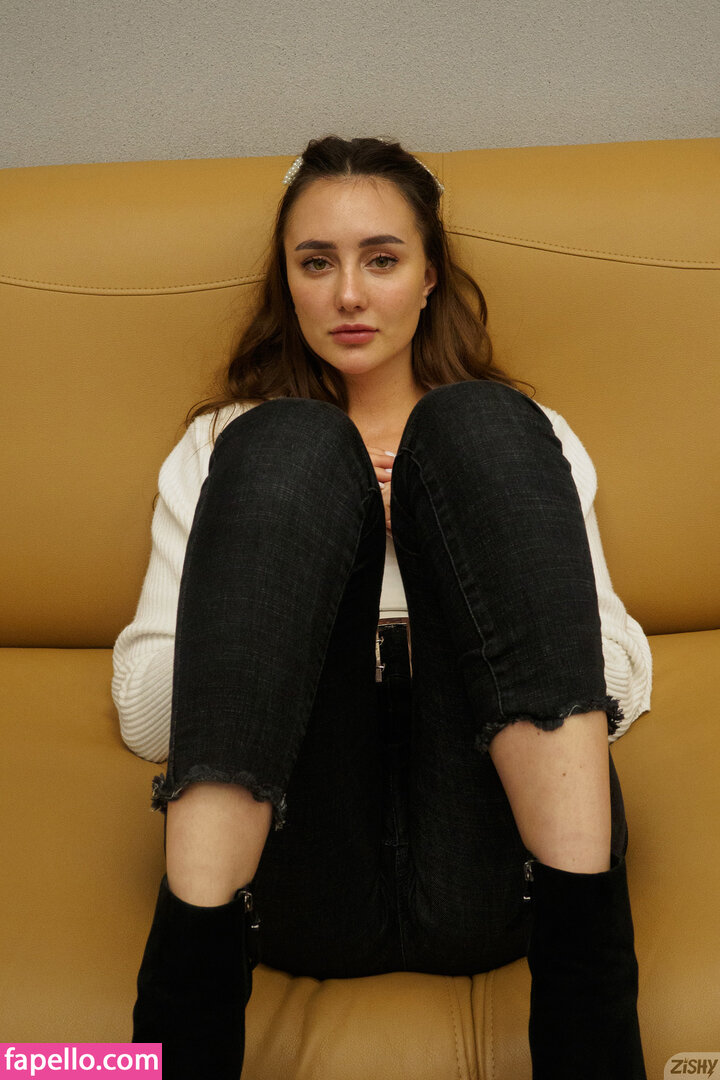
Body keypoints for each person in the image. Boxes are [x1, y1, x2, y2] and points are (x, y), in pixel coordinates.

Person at [112, 136, 652, 1080]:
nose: (350, 295)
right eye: (317, 263)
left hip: (501, 871)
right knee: (288, 446)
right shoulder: (221, 448)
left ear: (430, 276)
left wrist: (444, 558)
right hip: (299, 878)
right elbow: (148, 711)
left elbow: (621, 683)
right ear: (287, 283)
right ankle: (179, 1030)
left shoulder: (529, 442)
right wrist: (313, 561)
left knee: (480, 422)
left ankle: (593, 1032)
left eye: (383, 260)